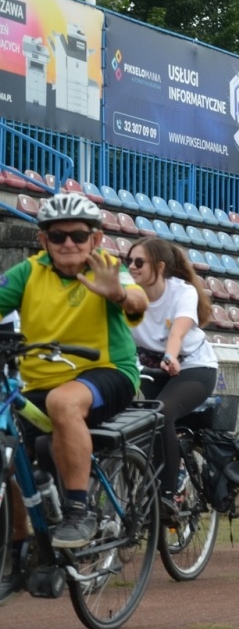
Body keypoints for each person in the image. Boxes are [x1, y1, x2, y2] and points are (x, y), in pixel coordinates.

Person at [0, 192, 147, 572]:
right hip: (39, 382)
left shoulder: (109, 266)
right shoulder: (28, 272)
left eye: (79, 236)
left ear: (96, 240)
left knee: (63, 404)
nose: (68, 243)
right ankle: (20, 543)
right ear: (43, 239)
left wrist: (116, 293)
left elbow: (137, 302)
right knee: (10, 450)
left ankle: (79, 510)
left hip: (108, 371)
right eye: (58, 235)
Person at [125, 237, 220, 508]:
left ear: (160, 266)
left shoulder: (182, 292)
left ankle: (167, 493)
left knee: (161, 412)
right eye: (128, 261)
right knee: (133, 420)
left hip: (192, 368)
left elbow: (178, 330)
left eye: (139, 262)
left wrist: (170, 355)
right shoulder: (127, 294)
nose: (132, 267)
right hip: (152, 369)